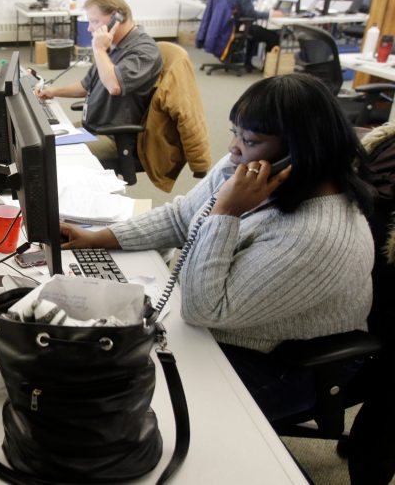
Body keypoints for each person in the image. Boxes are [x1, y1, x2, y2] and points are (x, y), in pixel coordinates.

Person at [61, 73, 375, 421]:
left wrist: (226, 211)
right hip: (230, 329)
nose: (234, 149)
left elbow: (203, 310)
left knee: (130, 399)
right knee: (101, 351)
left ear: (297, 151)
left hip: (286, 365)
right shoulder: (247, 170)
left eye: (250, 140)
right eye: (235, 134)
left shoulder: (317, 235)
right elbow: (182, 216)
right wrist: (100, 238)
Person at [35, 0, 161, 160]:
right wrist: (53, 91)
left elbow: (114, 86)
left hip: (115, 137)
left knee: (49, 155)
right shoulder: (113, 46)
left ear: (117, 17)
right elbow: (86, 85)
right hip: (93, 127)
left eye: (94, 21)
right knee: (38, 140)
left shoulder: (144, 50)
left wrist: (99, 49)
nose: (89, 28)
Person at [227, 0, 283, 72]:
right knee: (274, 36)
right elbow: (250, 14)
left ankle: (248, 63)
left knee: (256, 31)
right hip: (243, 25)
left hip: (236, 24)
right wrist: (270, 14)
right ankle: (268, 68)